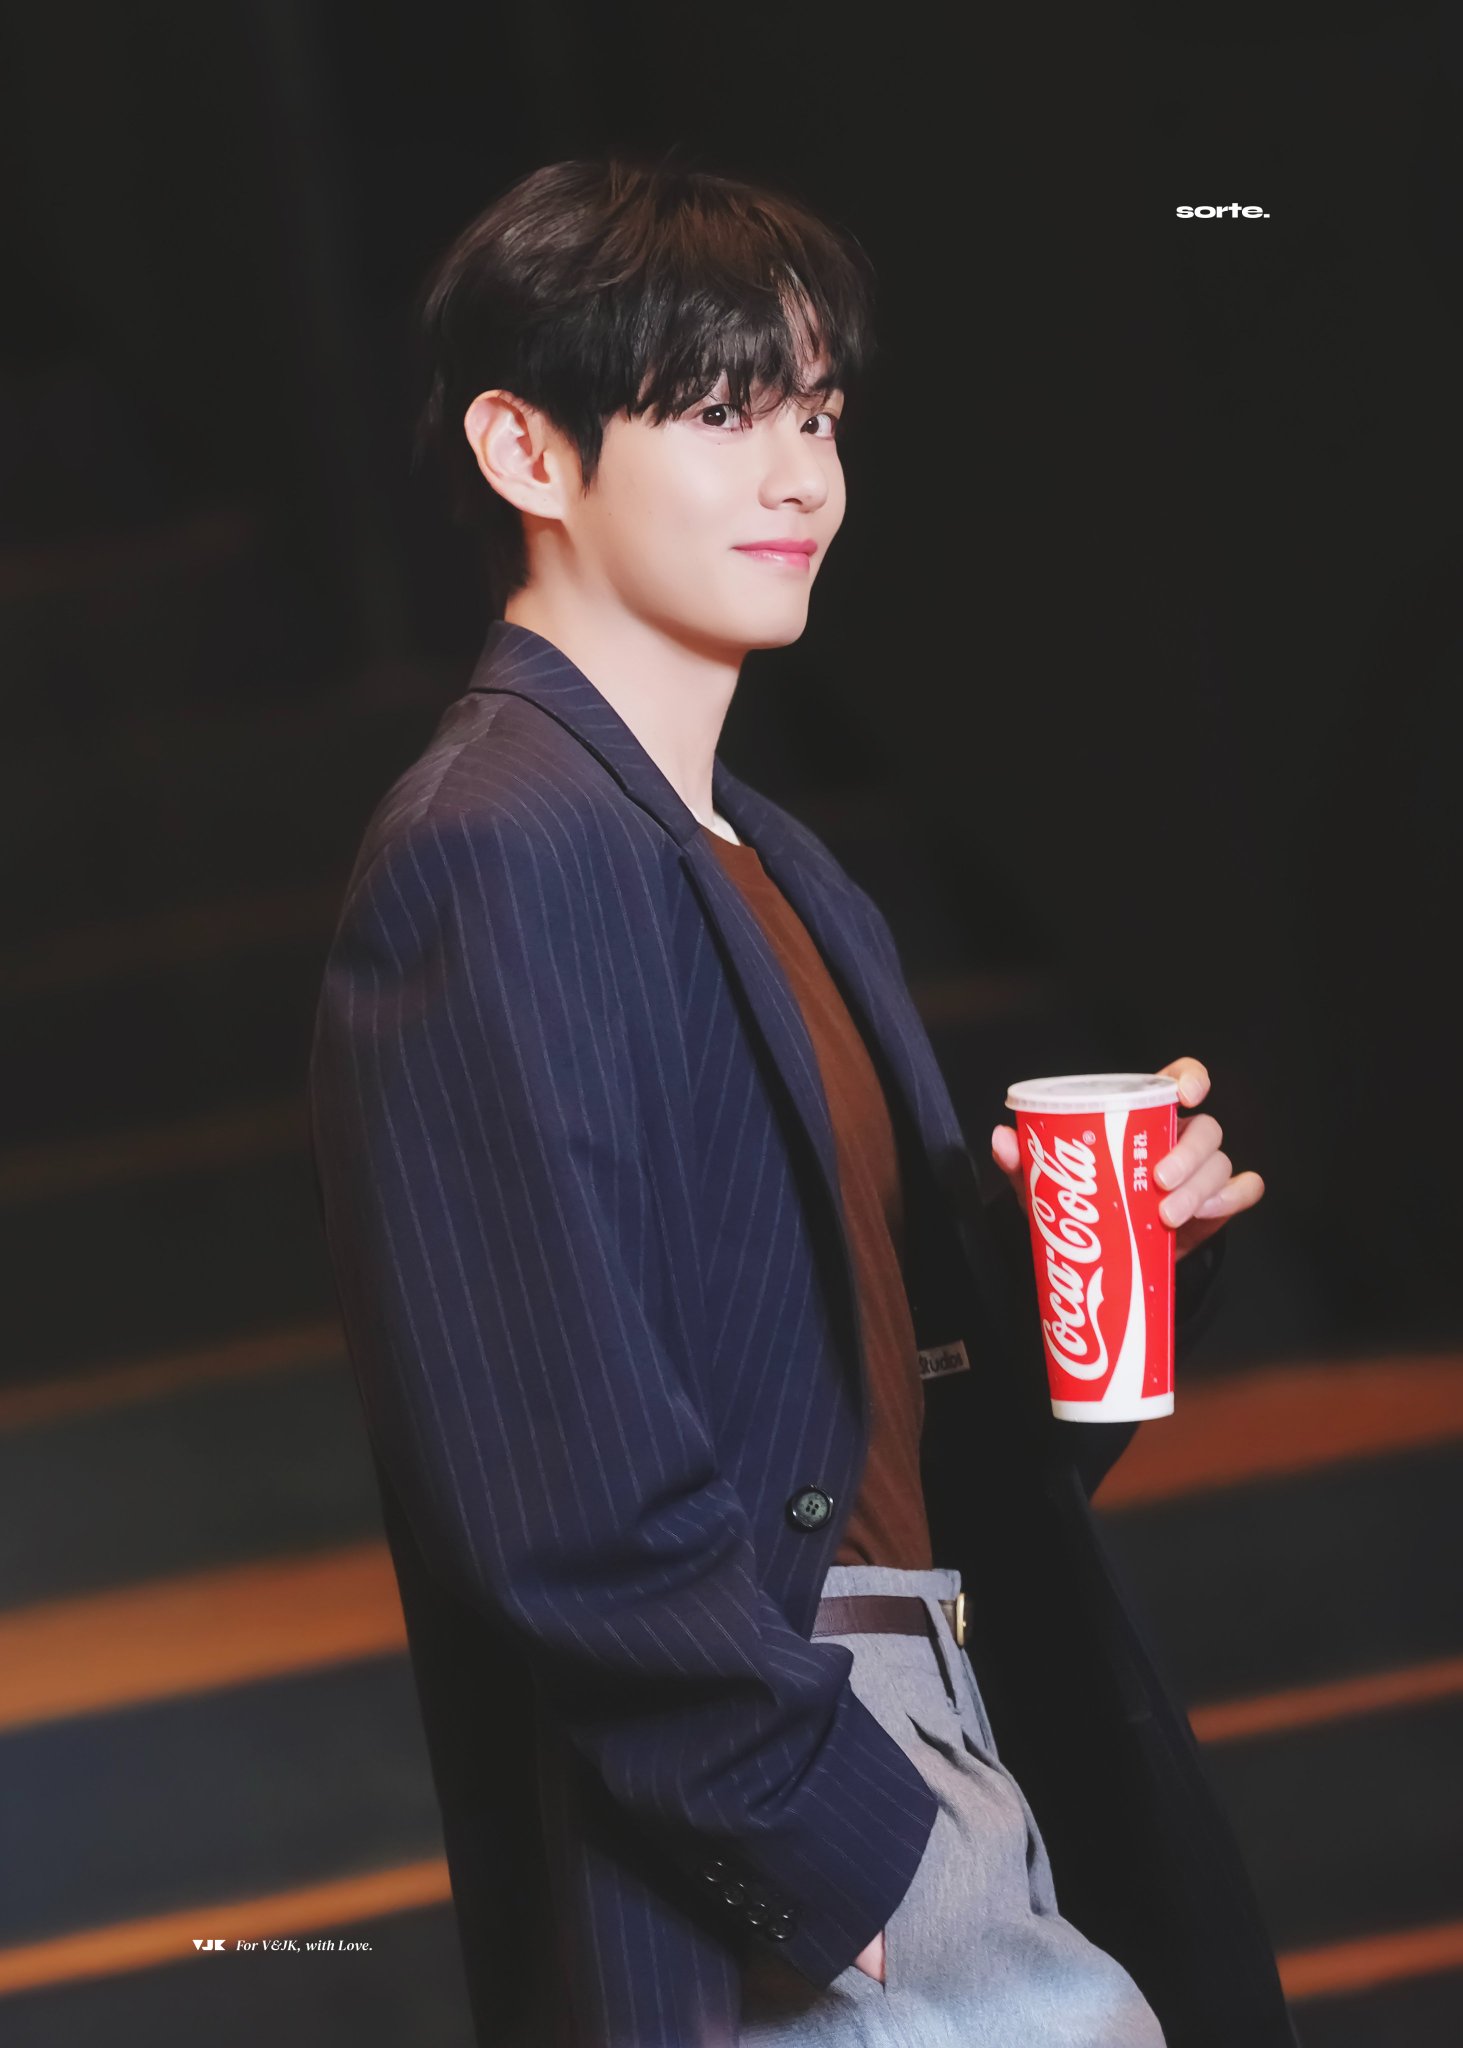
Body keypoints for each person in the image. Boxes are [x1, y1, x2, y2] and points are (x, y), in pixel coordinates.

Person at [307, 154, 1295, 2048]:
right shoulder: (493, 851)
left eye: (819, 414)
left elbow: (882, 1418)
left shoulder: (775, 861)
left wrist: (1108, 1267)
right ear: (527, 451)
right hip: (796, 1787)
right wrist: (843, 1861)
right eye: (719, 412)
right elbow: (553, 1489)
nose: (800, 478)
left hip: (924, 1712)